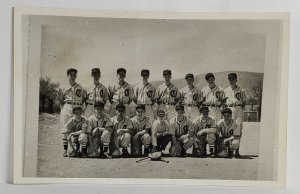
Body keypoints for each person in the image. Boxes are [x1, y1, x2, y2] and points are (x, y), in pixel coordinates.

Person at [57, 68, 87, 157]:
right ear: (67, 76)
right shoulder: (62, 86)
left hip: (77, 107)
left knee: (77, 127)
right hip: (67, 106)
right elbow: (60, 100)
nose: (73, 76)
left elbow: (83, 99)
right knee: (66, 128)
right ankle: (66, 150)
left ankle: (77, 148)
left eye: (74, 74)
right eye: (71, 75)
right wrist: (64, 108)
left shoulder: (80, 87)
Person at [224, 73, 247, 157]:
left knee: (238, 129)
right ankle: (230, 150)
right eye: (230, 79)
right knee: (229, 129)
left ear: (236, 79)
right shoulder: (226, 90)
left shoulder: (241, 90)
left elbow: (244, 102)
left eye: (233, 79)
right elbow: (224, 101)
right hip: (229, 109)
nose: (231, 80)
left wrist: (240, 109)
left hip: (238, 109)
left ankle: (237, 150)